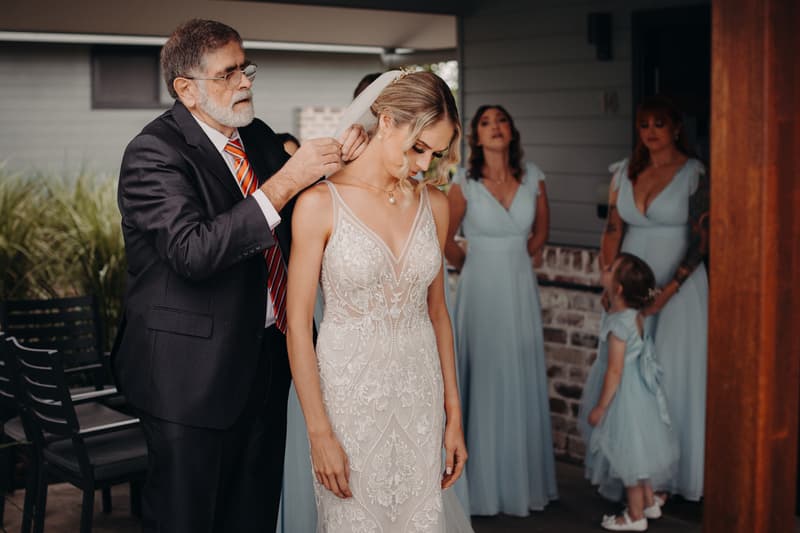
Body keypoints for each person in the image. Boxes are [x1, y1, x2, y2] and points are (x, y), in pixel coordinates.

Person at [113, 19, 365, 533]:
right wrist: (290, 179)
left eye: (245, 68)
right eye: (228, 74)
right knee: (189, 521)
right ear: (187, 88)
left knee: (251, 517)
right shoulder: (153, 153)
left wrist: (345, 170)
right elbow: (193, 252)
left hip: (268, 362)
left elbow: (296, 218)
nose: (245, 82)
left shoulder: (259, 136)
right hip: (189, 380)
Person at [286, 70, 469, 532]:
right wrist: (319, 431)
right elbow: (297, 326)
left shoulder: (436, 205)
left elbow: (438, 314)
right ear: (386, 121)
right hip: (348, 403)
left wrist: (454, 416)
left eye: (437, 153)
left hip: (419, 395)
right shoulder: (318, 205)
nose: (425, 165)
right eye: (418, 148)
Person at [444, 105, 558, 516]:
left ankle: (521, 482)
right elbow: (445, 236)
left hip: (519, 285)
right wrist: (473, 263)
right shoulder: (464, 182)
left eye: (502, 121)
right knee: (486, 373)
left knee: (519, 370)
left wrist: (515, 257)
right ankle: (482, 485)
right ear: (475, 136)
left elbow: (541, 231)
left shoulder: (535, 177)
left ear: (513, 130)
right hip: (480, 287)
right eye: (486, 123)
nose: (495, 128)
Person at [601, 95, 709, 502]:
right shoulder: (622, 173)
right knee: (630, 378)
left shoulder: (694, 174)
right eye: (644, 124)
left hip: (679, 288)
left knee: (671, 375)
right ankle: (637, 475)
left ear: (676, 128)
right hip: (629, 289)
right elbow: (613, 230)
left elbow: (703, 239)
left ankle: (668, 478)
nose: (650, 131)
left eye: (659, 124)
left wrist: (670, 289)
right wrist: (609, 285)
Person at [578, 253, 680, 531]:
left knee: (629, 459)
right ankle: (648, 502)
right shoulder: (633, 315)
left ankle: (635, 516)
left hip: (623, 396)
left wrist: (600, 406)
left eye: (610, 268)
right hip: (640, 392)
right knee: (640, 454)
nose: (604, 268)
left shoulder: (617, 324)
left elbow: (614, 371)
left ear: (619, 288)